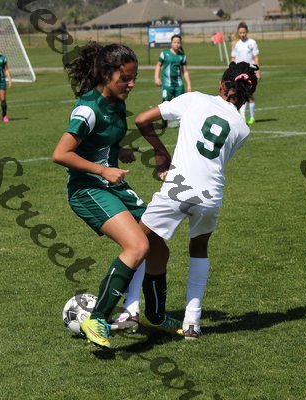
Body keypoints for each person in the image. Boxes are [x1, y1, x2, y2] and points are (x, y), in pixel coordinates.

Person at [53, 42, 178, 348]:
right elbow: (61, 154)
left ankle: (156, 316)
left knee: (159, 249)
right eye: (125, 78)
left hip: (112, 185)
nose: (131, 84)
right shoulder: (87, 109)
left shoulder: (117, 103)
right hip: (88, 189)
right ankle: (97, 319)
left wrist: (118, 151)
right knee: (137, 245)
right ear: (106, 75)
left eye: (134, 78)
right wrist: (102, 169)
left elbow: (101, 140)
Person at [134, 61, 258, 340]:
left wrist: (161, 152)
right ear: (248, 95)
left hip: (178, 189)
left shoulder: (194, 99)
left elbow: (141, 119)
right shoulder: (243, 128)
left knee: (137, 242)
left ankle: (129, 310)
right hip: (210, 195)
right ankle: (192, 322)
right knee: (199, 248)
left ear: (221, 84)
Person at [154, 34, 191, 128]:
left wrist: (188, 85)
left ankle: (182, 123)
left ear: (180, 44)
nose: (176, 44)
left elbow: (185, 72)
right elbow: (158, 65)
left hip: (179, 84)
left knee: (181, 104)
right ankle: (164, 123)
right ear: (171, 43)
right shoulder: (164, 53)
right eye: (174, 42)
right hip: (167, 84)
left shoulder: (182, 56)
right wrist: (157, 77)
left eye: (178, 42)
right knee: (165, 103)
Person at [231, 22, 260, 124]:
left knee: (249, 95)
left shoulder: (252, 42)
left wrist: (258, 71)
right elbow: (233, 58)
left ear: (247, 32)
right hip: (239, 72)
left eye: (244, 32)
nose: (242, 34)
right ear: (238, 33)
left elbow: (256, 58)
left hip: (250, 72)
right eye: (240, 33)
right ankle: (242, 117)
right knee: (240, 94)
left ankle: (252, 117)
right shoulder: (236, 44)